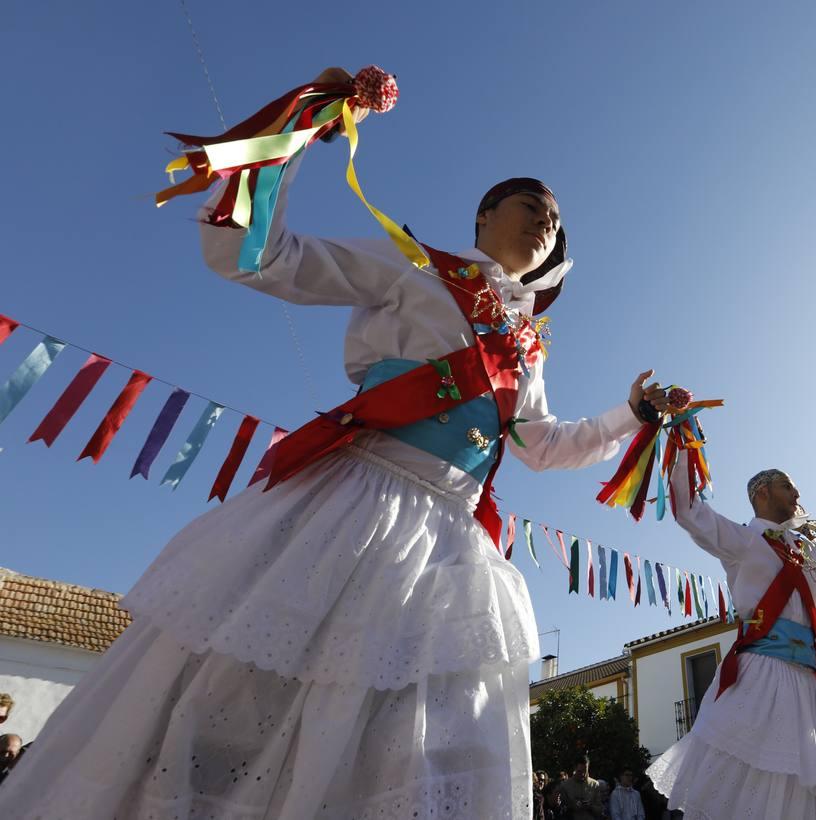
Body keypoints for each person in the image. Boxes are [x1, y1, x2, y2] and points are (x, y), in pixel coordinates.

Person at [0, 68, 668, 820]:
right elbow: (265, 257)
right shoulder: (413, 266)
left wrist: (631, 414)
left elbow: (543, 445)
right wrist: (300, 135)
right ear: (484, 214)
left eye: (554, 224)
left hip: (450, 542)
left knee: (407, 733)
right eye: (532, 206)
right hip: (360, 501)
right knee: (252, 690)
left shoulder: (527, 349)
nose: (546, 224)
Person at [648, 453, 816, 819]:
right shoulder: (743, 540)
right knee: (762, 779)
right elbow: (689, 511)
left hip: (810, 682)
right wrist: (682, 450)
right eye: (787, 486)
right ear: (762, 493)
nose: (797, 493)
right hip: (761, 675)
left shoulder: (811, 549)